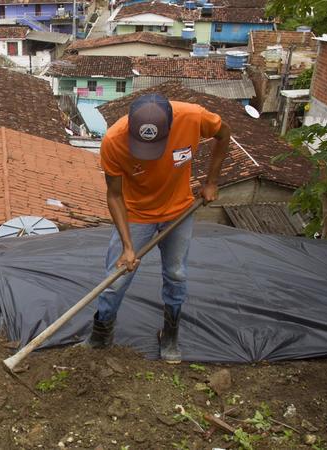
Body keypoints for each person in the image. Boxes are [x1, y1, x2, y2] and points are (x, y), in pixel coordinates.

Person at [84, 93, 230, 363]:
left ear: (171, 126)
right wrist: (128, 247)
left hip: (179, 212)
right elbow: (114, 196)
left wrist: (212, 181)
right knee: (115, 279)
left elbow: (224, 134)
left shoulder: (193, 117)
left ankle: (170, 334)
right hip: (136, 214)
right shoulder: (115, 141)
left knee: (176, 274)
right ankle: (102, 332)